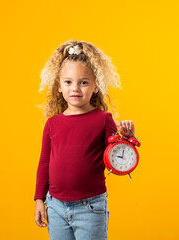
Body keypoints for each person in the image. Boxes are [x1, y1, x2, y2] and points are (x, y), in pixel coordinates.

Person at [34, 39, 136, 240]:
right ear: (59, 86)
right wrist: (39, 199)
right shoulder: (52, 124)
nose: (75, 88)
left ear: (96, 86)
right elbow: (44, 163)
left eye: (84, 82)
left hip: (90, 208)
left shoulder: (103, 119)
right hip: (55, 206)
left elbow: (116, 159)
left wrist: (127, 138)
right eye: (68, 82)